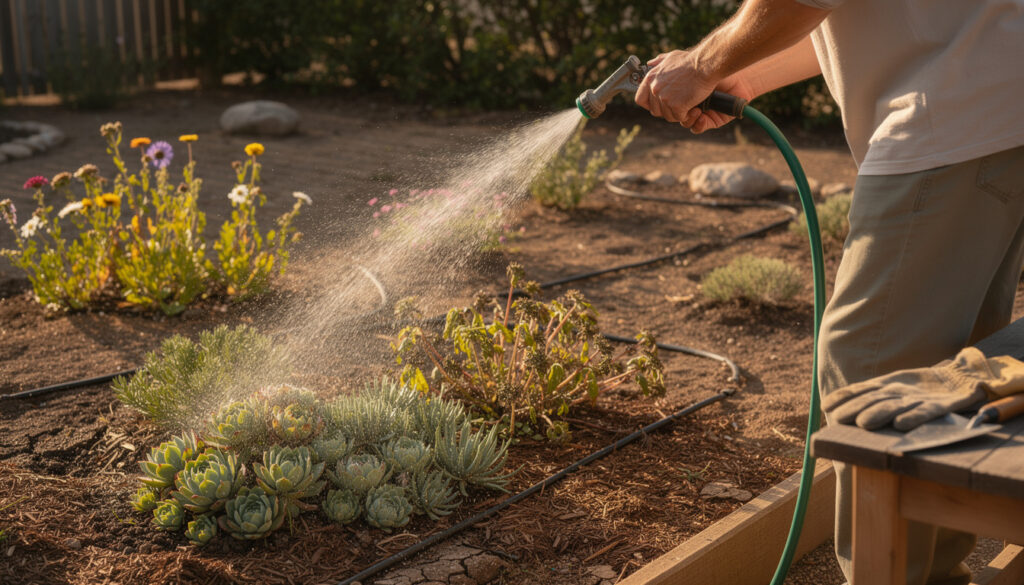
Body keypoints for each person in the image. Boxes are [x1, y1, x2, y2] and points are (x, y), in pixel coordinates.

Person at [634, 0, 1024, 584]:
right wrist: (738, 73)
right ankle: (934, 571)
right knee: (950, 359)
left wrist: (703, 61)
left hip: (948, 114)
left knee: (869, 367)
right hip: (992, 103)